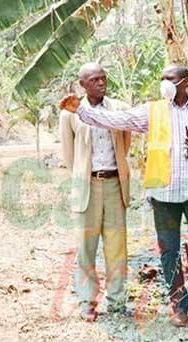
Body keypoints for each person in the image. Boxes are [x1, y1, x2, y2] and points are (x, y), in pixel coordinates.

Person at [60, 64, 188, 327]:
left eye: (170, 80)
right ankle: (179, 308)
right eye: (162, 79)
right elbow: (117, 120)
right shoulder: (154, 110)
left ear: (185, 82)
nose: (165, 84)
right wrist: (81, 110)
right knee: (169, 253)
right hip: (164, 194)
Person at [59, 63, 132, 321]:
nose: (101, 83)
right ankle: (87, 301)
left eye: (103, 78)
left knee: (116, 247)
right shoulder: (70, 113)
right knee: (86, 247)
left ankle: (117, 301)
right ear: (83, 85)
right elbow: (69, 154)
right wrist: (82, 176)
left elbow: (125, 144)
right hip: (87, 185)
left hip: (115, 185)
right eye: (94, 79)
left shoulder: (119, 109)